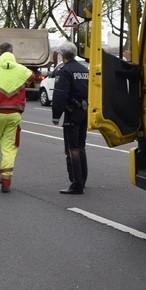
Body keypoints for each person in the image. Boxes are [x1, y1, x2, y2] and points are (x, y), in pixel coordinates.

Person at [0, 43, 33, 193]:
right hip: (15, 114)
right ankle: (6, 181)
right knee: (9, 147)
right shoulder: (22, 70)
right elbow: (32, 77)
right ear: (12, 52)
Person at [51, 41, 89, 194]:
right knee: (81, 146)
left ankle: (76, 184)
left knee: (71, 149)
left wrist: (56, 116)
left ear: (62, 55)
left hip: (72, 114)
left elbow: (60, 95)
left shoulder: (64, 71)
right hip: (84, 112)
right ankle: (83, 179)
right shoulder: (84, 69)